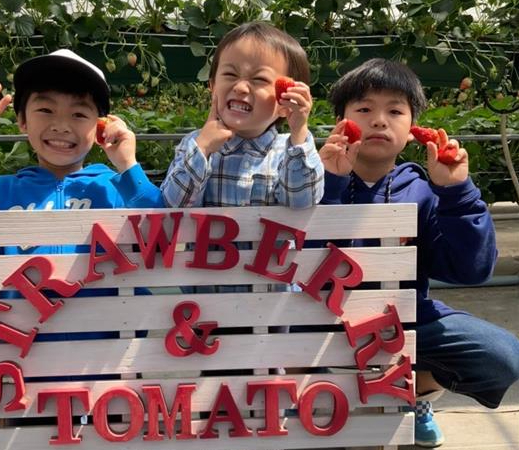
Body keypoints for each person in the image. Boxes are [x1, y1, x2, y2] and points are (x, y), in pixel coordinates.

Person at [317, 57, 519, 448]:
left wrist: (457, 194)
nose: (379, 120)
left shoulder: (424, 193)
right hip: (321, 321)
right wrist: (330, 183)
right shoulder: (309, 181)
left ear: (412, 129)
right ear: (340, 121)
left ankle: (415, 392)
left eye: (395, 111)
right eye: (364, 109)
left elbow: (471, 271)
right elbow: (295, 255)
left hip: (406, 319)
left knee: (501, 355)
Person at [0, 49, 165, 344]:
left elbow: (164, 239)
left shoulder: (115, 190)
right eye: (46, 110)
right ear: (22, 120)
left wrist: (129, 167)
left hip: (108, 361)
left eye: (79, 114)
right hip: (21, 363)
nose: (61, 125)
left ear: (100, 127)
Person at [161, 21, 324, 209]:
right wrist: (203, 149)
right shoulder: (195, 144)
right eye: (230, 74)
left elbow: (302, 202)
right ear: (212, 86)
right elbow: (172, 205)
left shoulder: (289, 152)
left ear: (285, 100)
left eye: (259, 79)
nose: (240, 87)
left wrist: (299, 131)